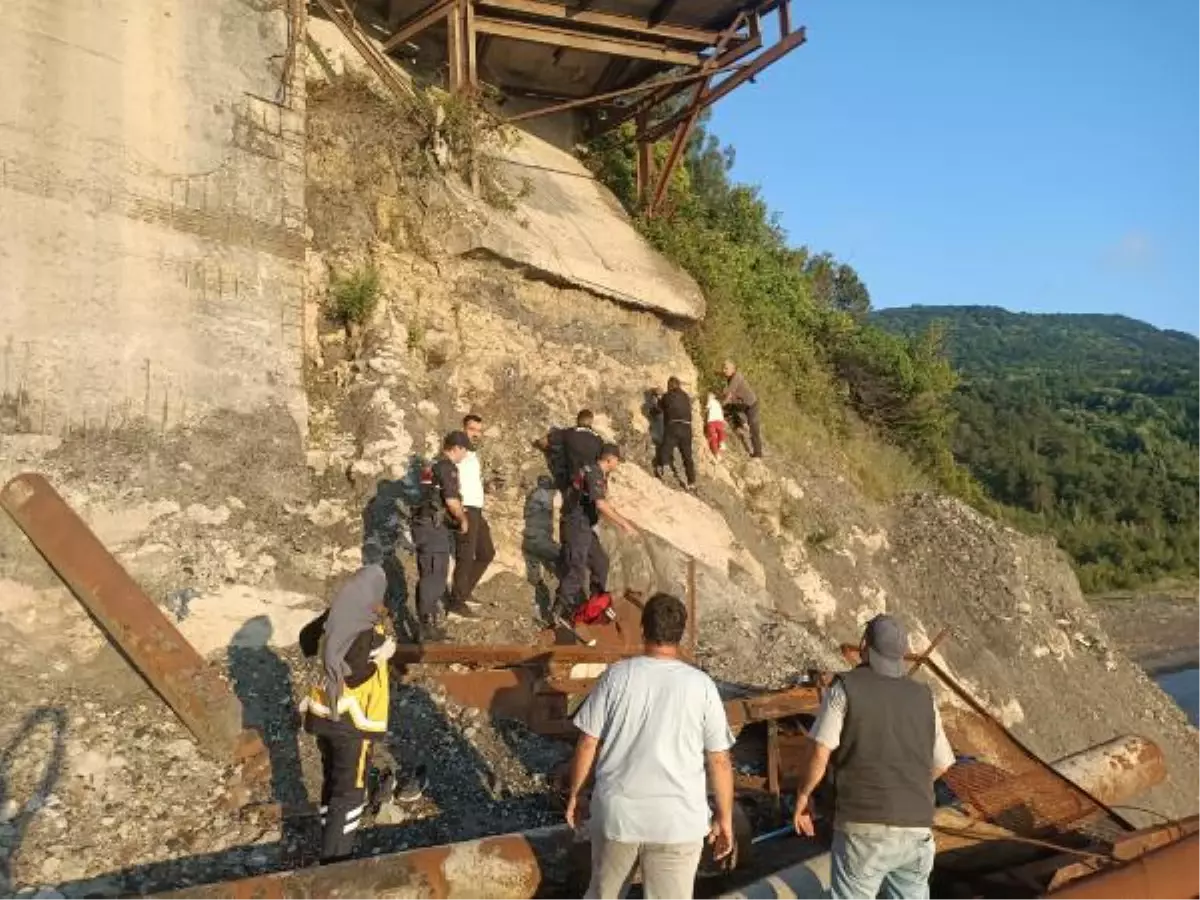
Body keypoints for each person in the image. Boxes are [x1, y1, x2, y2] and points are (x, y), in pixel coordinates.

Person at [566, 593, 736, 900]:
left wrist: (576, 794)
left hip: (619, 816)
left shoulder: (616, 677)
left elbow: (588, 742)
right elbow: (720, 761)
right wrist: (724, 818)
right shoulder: (702, 686)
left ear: (643, 629)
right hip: (678, 823)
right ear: (680, 634)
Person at [792, 614, 955, 900]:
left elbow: (820, 748)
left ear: (864, 645)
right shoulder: (925, 697)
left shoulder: (845, 688)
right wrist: (907, 788)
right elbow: (943, 762)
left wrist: (804, 796)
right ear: (902, 653)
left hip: (862, 830)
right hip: (916, 829)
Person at [298, 565, 397, 864]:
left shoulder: (336, 615)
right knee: (350, 794)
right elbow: (354, 675)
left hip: (324, 715)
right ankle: (335, 862)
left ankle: (331, 837)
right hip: (353, 723)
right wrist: (381, 657)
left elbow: (306, 641)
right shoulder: (361, 627)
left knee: (332, 783)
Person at [554, 443, 636, 617]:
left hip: (585, 526)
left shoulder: (594, 472)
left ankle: (594, 606)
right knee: (577, 568)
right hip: (576, 525)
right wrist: (624, 524)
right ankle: (559, 610)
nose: (618, 465)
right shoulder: (594, 473)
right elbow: (600, 503)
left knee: (601, 562)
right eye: (617, 461)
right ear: (609, 459)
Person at [411, 431, 471, 642]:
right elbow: (451, 500)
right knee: (435, 576)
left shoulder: (430, 466)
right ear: (457, 448)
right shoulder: (447, 467)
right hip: (434, 529)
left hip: (422, 526)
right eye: (465, 451)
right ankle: (425, 628)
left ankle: (427, 625)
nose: (465, 456)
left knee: (428, 574)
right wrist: (463, 520)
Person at [449, 413, 494, 619]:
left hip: (477, 508)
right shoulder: (457, 452)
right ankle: (456, 603)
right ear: (463, 428)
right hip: (465, 508)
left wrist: (488, 487)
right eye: (472, 429)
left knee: (486, 552)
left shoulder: (474, 454)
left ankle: (464, 592)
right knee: (465, 556)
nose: (475, 434)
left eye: (478, 431)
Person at [536, 409, 604, 493]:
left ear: (577, 420)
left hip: (569, 477)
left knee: (555, 436)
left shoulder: (569, 433)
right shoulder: (599, 440)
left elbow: (542, 442)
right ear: (591, 421)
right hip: (590, 482)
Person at [655, 377, 697, 491]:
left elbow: (658, 409)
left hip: (674, 425)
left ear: (669, 385)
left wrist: (658, 397)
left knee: (666, 448)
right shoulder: (686, 396)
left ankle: (665, 468)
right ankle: (692, 482)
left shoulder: (667, 396)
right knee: (687, 456)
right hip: (687, 427)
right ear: (679, 385)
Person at [721, 360, 763, 458]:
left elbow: (729, 395)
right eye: (723, 368)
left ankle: (758, 453)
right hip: (742, 404)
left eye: (726, 368)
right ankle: (739, 425)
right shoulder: (731, 376)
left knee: (754, 430)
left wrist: (719, 406)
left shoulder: (736, 378)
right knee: (729, 410)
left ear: (733, 369)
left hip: (752, 405)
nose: (724, 370)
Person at [705, 392, 727, 458]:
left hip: (712, 420)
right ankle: (722, 442)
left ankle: (716, 453)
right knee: (721, 431)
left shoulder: (710, 401)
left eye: (708, 397)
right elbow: (721, 412)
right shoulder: (718, 403)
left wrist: (703, 413)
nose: (708, 398)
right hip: (720, 420)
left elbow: (707, 409)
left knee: (713, 436)